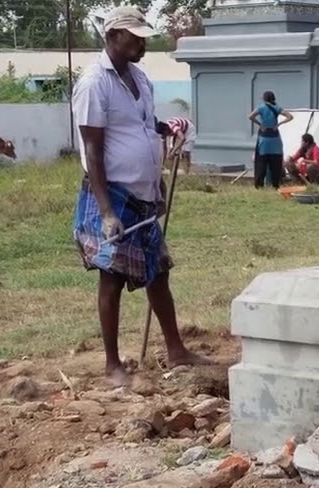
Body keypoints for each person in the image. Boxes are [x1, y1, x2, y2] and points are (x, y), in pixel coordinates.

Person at [71, 6, 209, 387]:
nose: (142, 43)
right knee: (112, 278)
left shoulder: (141, 79)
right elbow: (93, 151)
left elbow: (145, 127)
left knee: (158, 273)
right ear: (113, 35)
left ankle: (176, 349)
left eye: (144, 36)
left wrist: (170, 134)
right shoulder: (93, 84)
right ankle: (112, 364)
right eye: (135, 36)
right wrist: (105, 211)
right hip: (113, 196)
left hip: (143, 194)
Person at [248, 90, 293, 189]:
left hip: (263, 137)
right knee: (276, 162)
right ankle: (275, 184)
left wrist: (260, 124)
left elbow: (250, 116)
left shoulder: (261, 107)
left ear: (264, 99)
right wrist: (279, 124)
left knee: (261, 162)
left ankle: (259, 184)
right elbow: (290, 116)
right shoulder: (277, 108)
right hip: (275, 138)